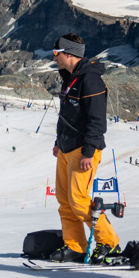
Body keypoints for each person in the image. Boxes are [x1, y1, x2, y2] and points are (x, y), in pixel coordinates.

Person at [50, 33, 120, 263]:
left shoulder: (90, 80)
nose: (54, 57)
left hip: (83, 151)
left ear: (68, 54)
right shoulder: (70, 77)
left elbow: (97, 120)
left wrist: (89, 151)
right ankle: (76, 247)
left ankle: (109, 243)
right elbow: (67, 115)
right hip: (67, 148)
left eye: (56, 53)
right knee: (65, 201)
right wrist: (58, 142)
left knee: (79, 201)